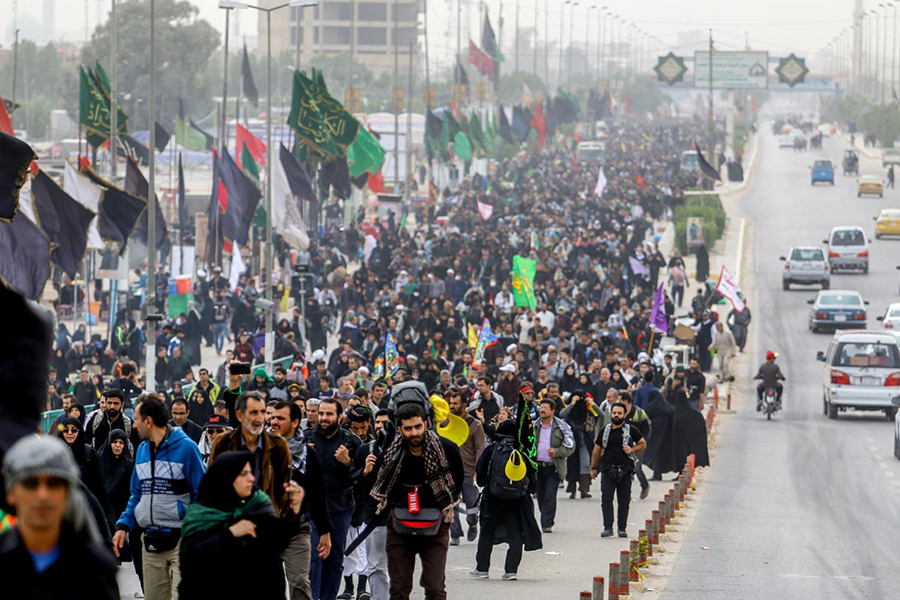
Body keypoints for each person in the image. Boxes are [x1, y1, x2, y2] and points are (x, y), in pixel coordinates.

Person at [0, 436, 119, 599]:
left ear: (68, 492)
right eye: (30, 483)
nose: (42, 495)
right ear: (11, 493)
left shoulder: (96, 569)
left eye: (54, 483)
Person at [113, 395, 206, 600]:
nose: (134, 425)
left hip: (181, 541)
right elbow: (137, 494)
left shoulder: (187, 448)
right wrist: (123, 526)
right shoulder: (142, 450)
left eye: (137, 419)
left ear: (148, 421)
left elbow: (202, 493)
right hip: (151, 541)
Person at [178, 451, 305, 598]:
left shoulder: (257, 504)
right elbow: (191, 557)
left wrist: (293, 511)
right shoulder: (201, 514)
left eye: (251, 473)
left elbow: (274, 544)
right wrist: (230, 533)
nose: (251, 478)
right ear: (227, 477)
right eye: (243, 474)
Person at [370, 401, 464, 600]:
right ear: (400, 429)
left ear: (426, 424)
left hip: (436, 526)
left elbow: (457, 480)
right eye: (408, 428)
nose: (414, 433)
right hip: (399, 526)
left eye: (418, 427)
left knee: (435, 588)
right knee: (399, 588)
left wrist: (443, 503)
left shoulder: (446, 449)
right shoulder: (391, 453)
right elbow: (381, 483)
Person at [270, 401, 334, 600]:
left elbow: (317, 495)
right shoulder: (261, 450)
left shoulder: (308, 454)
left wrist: (325, 532)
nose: (274, 421)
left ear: (295, 422)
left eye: (280, 418)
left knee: (299, 582)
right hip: (266, 531)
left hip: (297, 531)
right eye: (272, 417)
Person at [469, 420, 543, 581]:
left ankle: (482, 569)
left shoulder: (492, 449)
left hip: (493, 498)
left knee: (487, 532)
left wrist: (487, 484)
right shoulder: (524, 451)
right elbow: (533, 478)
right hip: (517, 500)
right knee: (515, 534)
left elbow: (480, 474)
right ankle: (511, 571)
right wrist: (527, 491)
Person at [307, 397, 363, 600]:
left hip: (340, 509)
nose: (324, 418)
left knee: (334, 558)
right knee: (314, 557)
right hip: (312, 510)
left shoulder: (351, 442)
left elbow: (362, 477)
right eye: (321, 413)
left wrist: (348, 462)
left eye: (329, 414)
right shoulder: (306, 439)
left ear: (340, 417)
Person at [209, 391, 293, 514]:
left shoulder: (278, 446)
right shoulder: (223, 443)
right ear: (239, 415)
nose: (260, 418)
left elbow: (283, 490)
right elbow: (212, 485)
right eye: (254, 412)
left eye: (263, 412)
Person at [590, 402, 646, 538]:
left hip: (625, 470)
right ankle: (607, 527)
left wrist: (631, 449)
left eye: (619, 413)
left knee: (624, 500)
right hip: (607, 469)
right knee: (606, 499)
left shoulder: (631, 430)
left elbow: (642, 443)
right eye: (614, 412)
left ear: (624, 415)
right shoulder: (605, 430)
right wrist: (593, 468)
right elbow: (597, 450)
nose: (616, 415)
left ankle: (622, 528)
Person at [353, 409, 391, 600]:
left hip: (399, 518)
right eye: (378, 422)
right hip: (373, 518)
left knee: (398, 566)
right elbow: (354, 483)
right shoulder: (365, 450)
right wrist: (364, 471)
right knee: (375, 565)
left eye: (385, 422)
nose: (380, 426)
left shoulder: (405, 450)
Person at [448, 389, 486, 546]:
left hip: (469, 472)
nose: (452, 406)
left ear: (464, 405)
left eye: (455, 403)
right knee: (451, 504)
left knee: (471, 504)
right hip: (450, 472)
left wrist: (478, 470)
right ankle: (455, 533)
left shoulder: (475, 425)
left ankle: (473, 523)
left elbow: (480, 449)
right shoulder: (446, 423)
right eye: (450, 403)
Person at [534, 398, 575, 533]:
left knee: (550, 495)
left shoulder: (562, 427)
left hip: (554, 467)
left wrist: (557, 452)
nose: (542, 410)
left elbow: (570, 446)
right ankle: (547, 517)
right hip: (538, 467)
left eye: (545, 408)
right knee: (541, 496)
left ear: (552, 411)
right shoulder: (533, 426)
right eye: (541, 407)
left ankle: (546, 524)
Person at [56, 417, 108, 517]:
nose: (69, 433)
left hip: (86, 510)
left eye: (74, 430)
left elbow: (100, 486)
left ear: (79, 431)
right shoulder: (57, 454)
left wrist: (102, 514)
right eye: (66, 430)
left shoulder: (89, 453)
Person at [98, 429, 135, 531]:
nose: (117, 445)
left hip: (121, 511)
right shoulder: (99, 460)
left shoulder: (129, 465)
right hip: (103, 510)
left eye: (121, 443)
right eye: (114, 442)